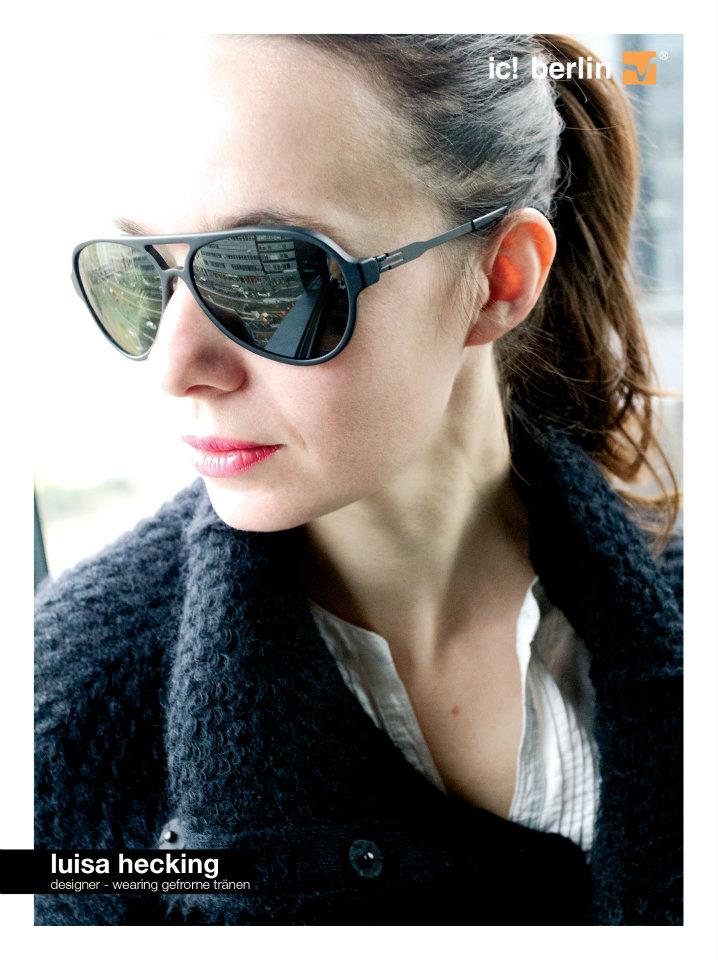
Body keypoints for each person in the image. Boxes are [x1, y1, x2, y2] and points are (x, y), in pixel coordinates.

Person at [34, 33, 683, 926]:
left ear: (501, 278)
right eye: (143, 276)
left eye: (270, 276)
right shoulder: (59, 717)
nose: (172, 367)